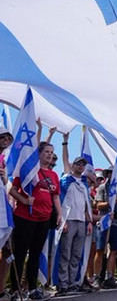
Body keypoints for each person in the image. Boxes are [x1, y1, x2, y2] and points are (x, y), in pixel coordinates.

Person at [10, 142, 62, 300]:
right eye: (46, 151)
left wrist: (59, 214)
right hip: (25, 217)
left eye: (51, 152)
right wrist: (24, 200)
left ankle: (32, 289)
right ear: (38, 153)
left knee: (35, 254)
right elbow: (12, 189)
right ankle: (15, 290)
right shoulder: (28, 170)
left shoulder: (53, 175)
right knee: (20, 254)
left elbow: (55, 196)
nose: (49, 154)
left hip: (44, 219)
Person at [56, 155, 93, 296]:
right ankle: (63, 284)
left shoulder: (84, 183)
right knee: (65, 253)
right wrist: (63, 221)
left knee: (76, 255)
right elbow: (61, 200)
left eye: (83, 165)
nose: (81, 166)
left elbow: (86, 205)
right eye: (78, 164)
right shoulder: (65, 180)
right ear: (73, 165)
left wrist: (89, 221)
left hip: (82, 222)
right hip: (69, 221)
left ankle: (73, 283)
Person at [0, 127, 14, 298]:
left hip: (2, 207)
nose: (5, 140)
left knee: (6, 250)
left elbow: (5, 183)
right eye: (2, 137)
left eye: (7, 138)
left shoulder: (3, 160)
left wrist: (3, 176)